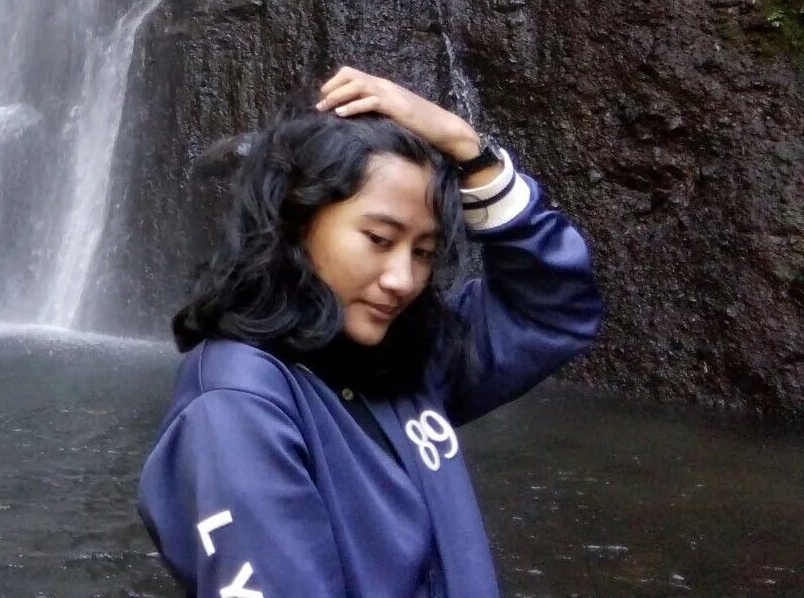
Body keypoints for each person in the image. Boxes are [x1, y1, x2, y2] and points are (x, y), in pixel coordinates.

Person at [137, 66, 603, 597]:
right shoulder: (238, 402)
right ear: (296, 220)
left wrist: (470, 151)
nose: (402, 279)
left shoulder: (404, 360)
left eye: (424, 252)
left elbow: (553, 311)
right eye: (379, 239)